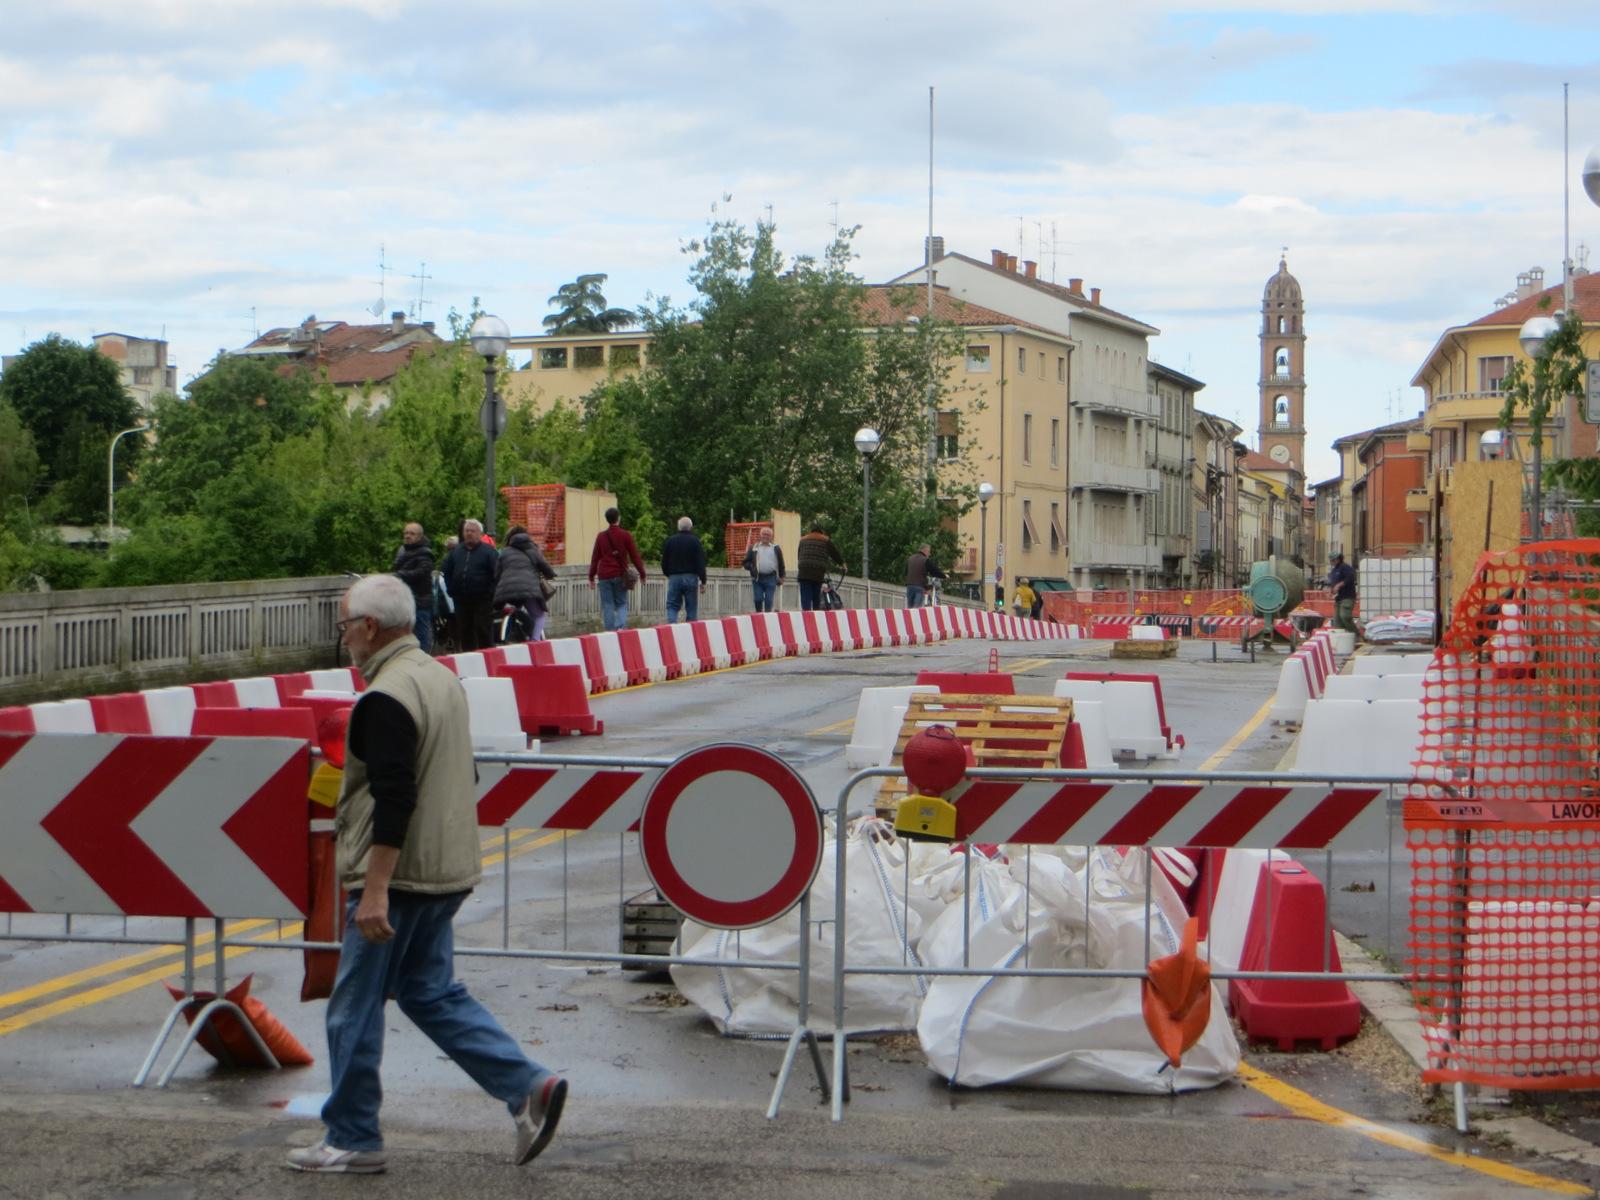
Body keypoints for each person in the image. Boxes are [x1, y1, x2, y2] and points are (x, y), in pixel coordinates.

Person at [286, 575, 566, 1175]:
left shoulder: (385, 697)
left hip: (400, 877)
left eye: (344, 628)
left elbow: (393, 797)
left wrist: (376, 890)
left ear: (367, 628)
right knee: (429, 993)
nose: (344, 640)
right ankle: (527, 1087)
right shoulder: (441, 680)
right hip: (448, 869)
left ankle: (352, 1137)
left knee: (352, 1007)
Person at [493, 525, 558, 642]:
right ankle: (535, 640)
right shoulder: (532, 549)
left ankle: (513, 633)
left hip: (507, 590)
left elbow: (497, 574)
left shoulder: (504, 552)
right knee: (538, 615)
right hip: (529, 589)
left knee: (516, 608)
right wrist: (551, 575)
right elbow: (545, 567)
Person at [440, 520, 497, 651]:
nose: (469, 533)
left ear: (480, 534)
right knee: (465, 632)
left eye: (472, 531)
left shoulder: (488, 552)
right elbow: (446, 570)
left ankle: (487, 657)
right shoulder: (456, 552)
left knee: (483, 630)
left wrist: (490, 592)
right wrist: (451, 589)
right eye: (467, 531)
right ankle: (469, 658)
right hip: (461, 600)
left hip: (483, 600)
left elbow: (497, 574)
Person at [588, 507, 647, 632]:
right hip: (620, 574)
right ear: (618, 518)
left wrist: (591, 577)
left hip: (604, 575)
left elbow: (595, 558)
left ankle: (610, 632)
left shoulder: (601, 537)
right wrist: (642, 573)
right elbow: (634, 556)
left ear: (607, 520)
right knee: (621, 603)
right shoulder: (625, 535)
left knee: (608, 605)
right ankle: (620, 628)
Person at [391, 522, 435, 653]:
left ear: (420, 536)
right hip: (405, 600)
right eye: (406, 533)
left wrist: (400, 575)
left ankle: (424, 659)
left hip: (420, 600)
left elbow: (421, 573)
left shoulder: (425, 554)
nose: (408, 536)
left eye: (412, 533)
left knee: (421, 634)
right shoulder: (403, 551)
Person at [660, 516, 707, 623]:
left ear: (678, 527)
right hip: (691, 577)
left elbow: (664, 562)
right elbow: (700, 563)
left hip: (674, 577)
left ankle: (672, 628)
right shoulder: (695, 541)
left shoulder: (670, 541)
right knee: (691, 607)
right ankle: (690, 631)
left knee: (672, 605)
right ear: (691, 527)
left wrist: (669, 574)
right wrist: (703, 581)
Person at [796, 524, 845, 611]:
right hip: (818, 571)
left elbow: (799, 555)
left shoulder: (803, 540)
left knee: (805, 596)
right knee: (816, 595)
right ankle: (816, 614)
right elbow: (835, 553)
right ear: (822, 532)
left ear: (811, 531)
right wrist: (842, 564)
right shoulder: (825, 539)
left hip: (804, 571)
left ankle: (806, 614)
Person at [741, 526, 785, 612]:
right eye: (764, 534)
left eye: (768, 535)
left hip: (771, 578)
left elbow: (781, 563)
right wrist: (752, 567)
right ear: (760, 535)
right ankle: (759, 615)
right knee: (758, 599)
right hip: (757, 578)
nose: (766, 536)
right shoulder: (754, 547)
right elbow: (745, 562)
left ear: (771, 536)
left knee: (769, 601)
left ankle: (767, 617)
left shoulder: (776, 548)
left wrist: (782, 576)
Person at [904, 543, 945, 608]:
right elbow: (934, 571)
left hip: (909, 587)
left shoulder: (910, 558)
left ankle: (909, 618)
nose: (929, 554)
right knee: (916, 609)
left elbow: (906, 572)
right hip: (919, 587)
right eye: (929, 552)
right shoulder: (925, 560)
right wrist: (944, 576)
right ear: (925, 551)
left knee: (910, 608)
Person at [1328, 553, 1357, 634]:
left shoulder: (1345, 568)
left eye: (1333, 560)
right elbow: (1333, 583)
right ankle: (1344, 638)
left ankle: (1355, 634)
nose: (1332, 562)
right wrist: (1331, 591)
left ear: (1338, 559)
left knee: (1345, 616)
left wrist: (1339, 585)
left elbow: (1350, 578)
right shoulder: (1334, 571)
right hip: (1338, 599)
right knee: (1337, 621)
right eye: (1331, 560)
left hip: (1347, 597)